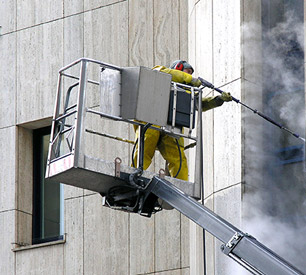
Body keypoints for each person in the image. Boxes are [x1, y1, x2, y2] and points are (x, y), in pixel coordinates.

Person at [132, 60, 232, 181]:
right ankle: (133, 174)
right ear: (177, 69)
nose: (189, 75)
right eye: (187, 72)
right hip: (151, 120)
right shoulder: (161, 73)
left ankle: (181, 185)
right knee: (144, 149)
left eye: (190, 73)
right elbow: (158, 71)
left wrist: (219, 99)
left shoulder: (187, 92)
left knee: (178, 159)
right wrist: (188, 79)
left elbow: (199, 104)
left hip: (172, 126)